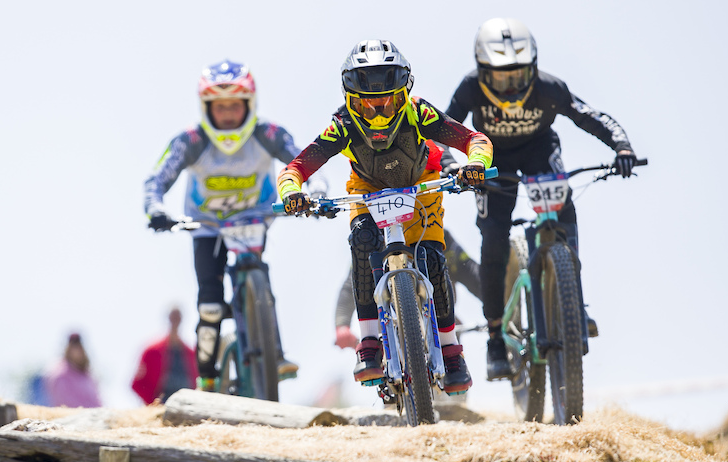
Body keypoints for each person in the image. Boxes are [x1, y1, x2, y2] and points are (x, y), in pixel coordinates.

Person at [279, 40, 492, 394]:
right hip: (366, 188)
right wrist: (292, 194)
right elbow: (296, 168)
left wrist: (475, 164)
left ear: (403, 94)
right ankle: (369, 344)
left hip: (420, 184)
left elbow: (475, 140)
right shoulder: (342, 124)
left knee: (433, 258)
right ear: (351, 98)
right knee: (363, 245)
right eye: (368, 102)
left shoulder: (419, 112)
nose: (379, 112)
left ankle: (452, 350)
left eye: (388, 100)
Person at [444, 18, 638, 381]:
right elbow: (444, 128)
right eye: (500, 78)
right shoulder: (469, 88)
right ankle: (495, 337)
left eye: (518, 76)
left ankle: (572, 302)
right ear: (482, 72)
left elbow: (590, 116)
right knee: (494, 240)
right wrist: (455, 164)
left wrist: (622, 145)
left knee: (564, 212)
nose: (510, 86)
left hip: (538, 152)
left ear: (534, 68)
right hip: (490, 160)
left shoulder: (550, 86)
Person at [144, 60, 310, 392]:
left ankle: (274, 354)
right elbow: (157, 178)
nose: (229, 114)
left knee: (257, 271)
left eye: (235, 105)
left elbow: (303, 160)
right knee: (209, 304)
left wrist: (313, 191)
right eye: (220, 107)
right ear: (206, 108)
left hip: (255, 218)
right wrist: (155, 208)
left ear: (249, 104)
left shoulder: (269, 134)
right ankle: (205, 375)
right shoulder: (191, 139)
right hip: (206, 227)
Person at [334, 230, 482, 350]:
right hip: (388, 328)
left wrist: (495, 306)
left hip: (440, 319)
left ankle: (452, 367)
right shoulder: (373, 243)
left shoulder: (436, 236)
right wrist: (342, 326)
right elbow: (351, 285)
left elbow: (470, 272)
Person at [132, 307, 198, 405]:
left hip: (186, 406)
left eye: (177, 317)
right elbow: (137, 384)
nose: (175, 321)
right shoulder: (152, 351)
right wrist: (153, 404)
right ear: (169, 318)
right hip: (159, 407)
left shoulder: (191, 354)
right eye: (173, 317)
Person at [44, 333, 102, 408]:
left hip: (93, 414)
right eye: (74, 347)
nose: (77, 351)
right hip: (73, 415)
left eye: (79, 347)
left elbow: (97, 399)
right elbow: (65, 402)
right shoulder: (60, 374)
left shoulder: (87, 374)